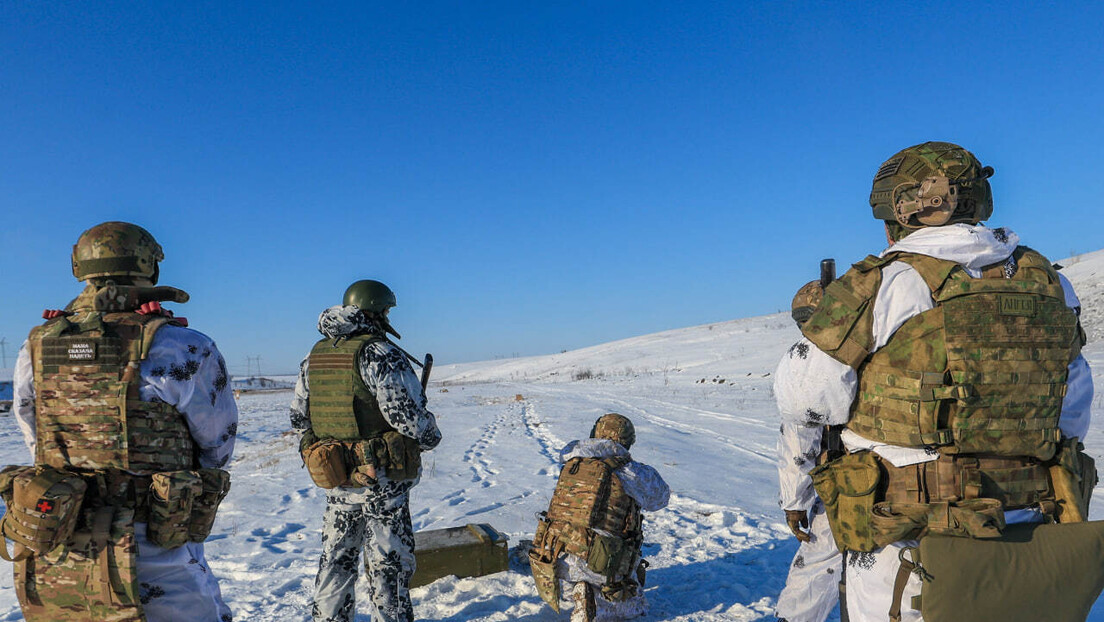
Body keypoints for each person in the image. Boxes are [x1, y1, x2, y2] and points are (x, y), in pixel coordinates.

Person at [773, 142, 1094, 622]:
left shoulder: (885, 282)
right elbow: (1072, 409)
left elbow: (805, 400)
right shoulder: (1048, 281)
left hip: (908, 534)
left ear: (896, 211)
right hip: (1029, 526)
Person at [6, 221, 236, 622]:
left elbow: (31, 426)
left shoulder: (37, 344)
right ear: (150, 268)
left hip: (61, 540)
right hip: (154, 545)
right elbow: (217, 443)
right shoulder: (183, 346)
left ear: (79, 267)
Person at [290, 279, 442, 622]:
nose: (388, 317)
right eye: (386, 311)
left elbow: (299, 418)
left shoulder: (314, 355)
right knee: (389, 567)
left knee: (335, 562)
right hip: (382, 483)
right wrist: (431, 436)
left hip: (339, 480)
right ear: (375, 313)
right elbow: (409, 420)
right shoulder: (379, 353)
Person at [529, 413, 670, 622]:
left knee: (575, 581)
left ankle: (576, 591)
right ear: (627, 441)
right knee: (638, 605)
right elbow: (660, 499)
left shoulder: (572, 464)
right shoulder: (629, 471)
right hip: (598, 561)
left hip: (552, 559)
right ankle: (594, 605)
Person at [774, 280, 845, 622]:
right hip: (908, 482)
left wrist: (794, 504)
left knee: (815, 569)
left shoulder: (808, 363)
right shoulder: (879, 345)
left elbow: (799, 442)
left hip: (845, 488)